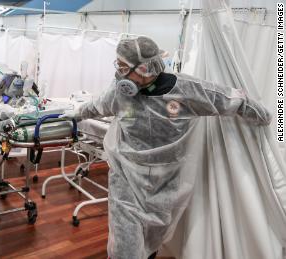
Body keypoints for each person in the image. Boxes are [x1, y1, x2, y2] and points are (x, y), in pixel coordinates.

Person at [61, 37, 271, 259]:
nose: (119, 73)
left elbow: (229, 99)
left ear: (143, 68)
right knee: (125, 246)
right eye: (118, 66)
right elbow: (98, 105)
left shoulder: (187, 90)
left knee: (153, 238)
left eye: (123, 67)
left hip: (166, 181)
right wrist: (77, 113)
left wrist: (264, 116)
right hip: (126, 177)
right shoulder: (120, 91)